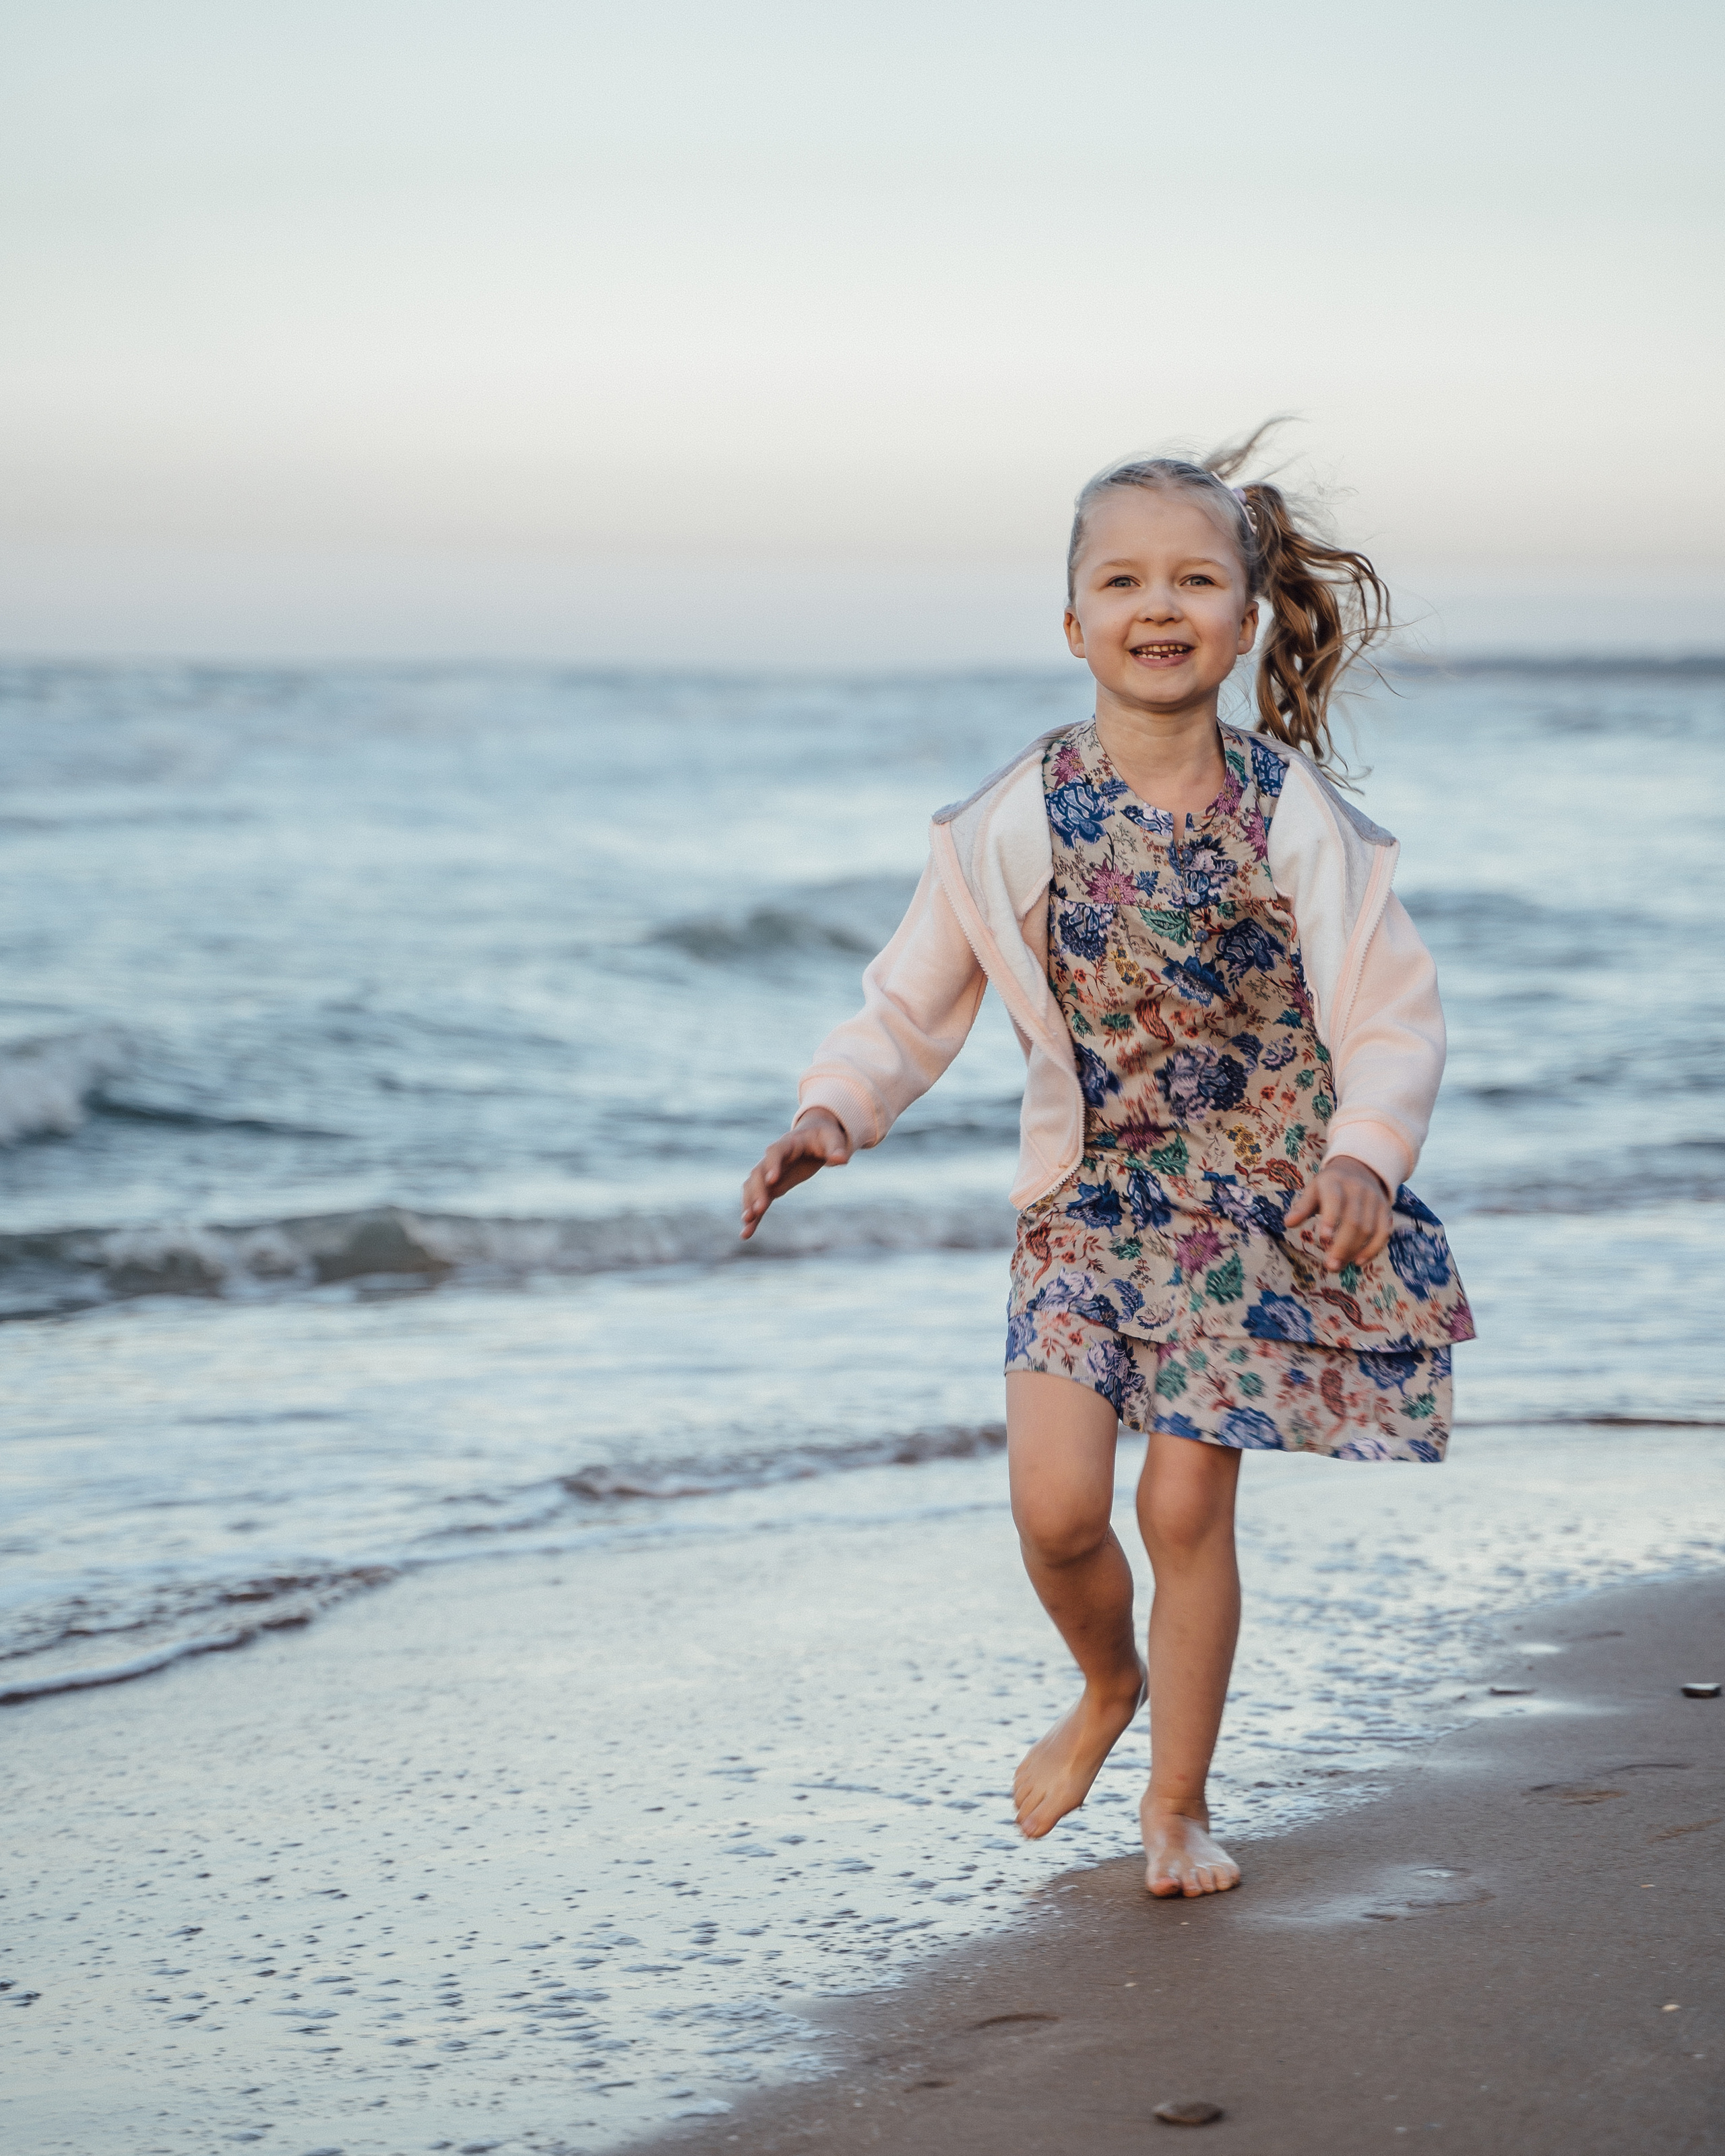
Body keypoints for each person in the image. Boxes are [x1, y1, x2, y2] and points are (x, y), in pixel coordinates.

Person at [739, 431, 1474, 1899]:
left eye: (1195, 579)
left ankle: (1176, 1804)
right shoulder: (1010, 818)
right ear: (1072, 623)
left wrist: (1363, 1159)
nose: (1159, 604)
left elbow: (1388, 1014)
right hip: (1085, 1207)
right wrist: (834, 1109)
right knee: (1058, 1511)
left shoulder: (1290, 815)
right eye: (1123, 580)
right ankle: (1105, 1682)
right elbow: (912, 1000)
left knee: (1182, 1509)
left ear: (1245, 622)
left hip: (1248, 1209)